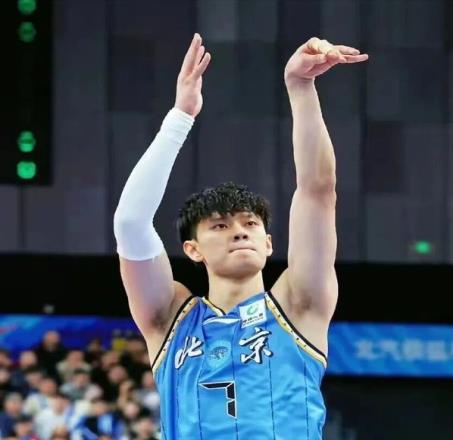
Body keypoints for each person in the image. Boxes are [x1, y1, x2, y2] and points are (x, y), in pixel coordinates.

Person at [113, 33, 368, 439]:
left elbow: (318, 190)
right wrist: (181, 117)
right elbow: (130, 223)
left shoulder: (299, 305)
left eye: (250, 224)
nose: (239, 233)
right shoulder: (169, 319)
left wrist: (301, 86)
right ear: (192, 249)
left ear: (268, 243)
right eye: (220, 226)